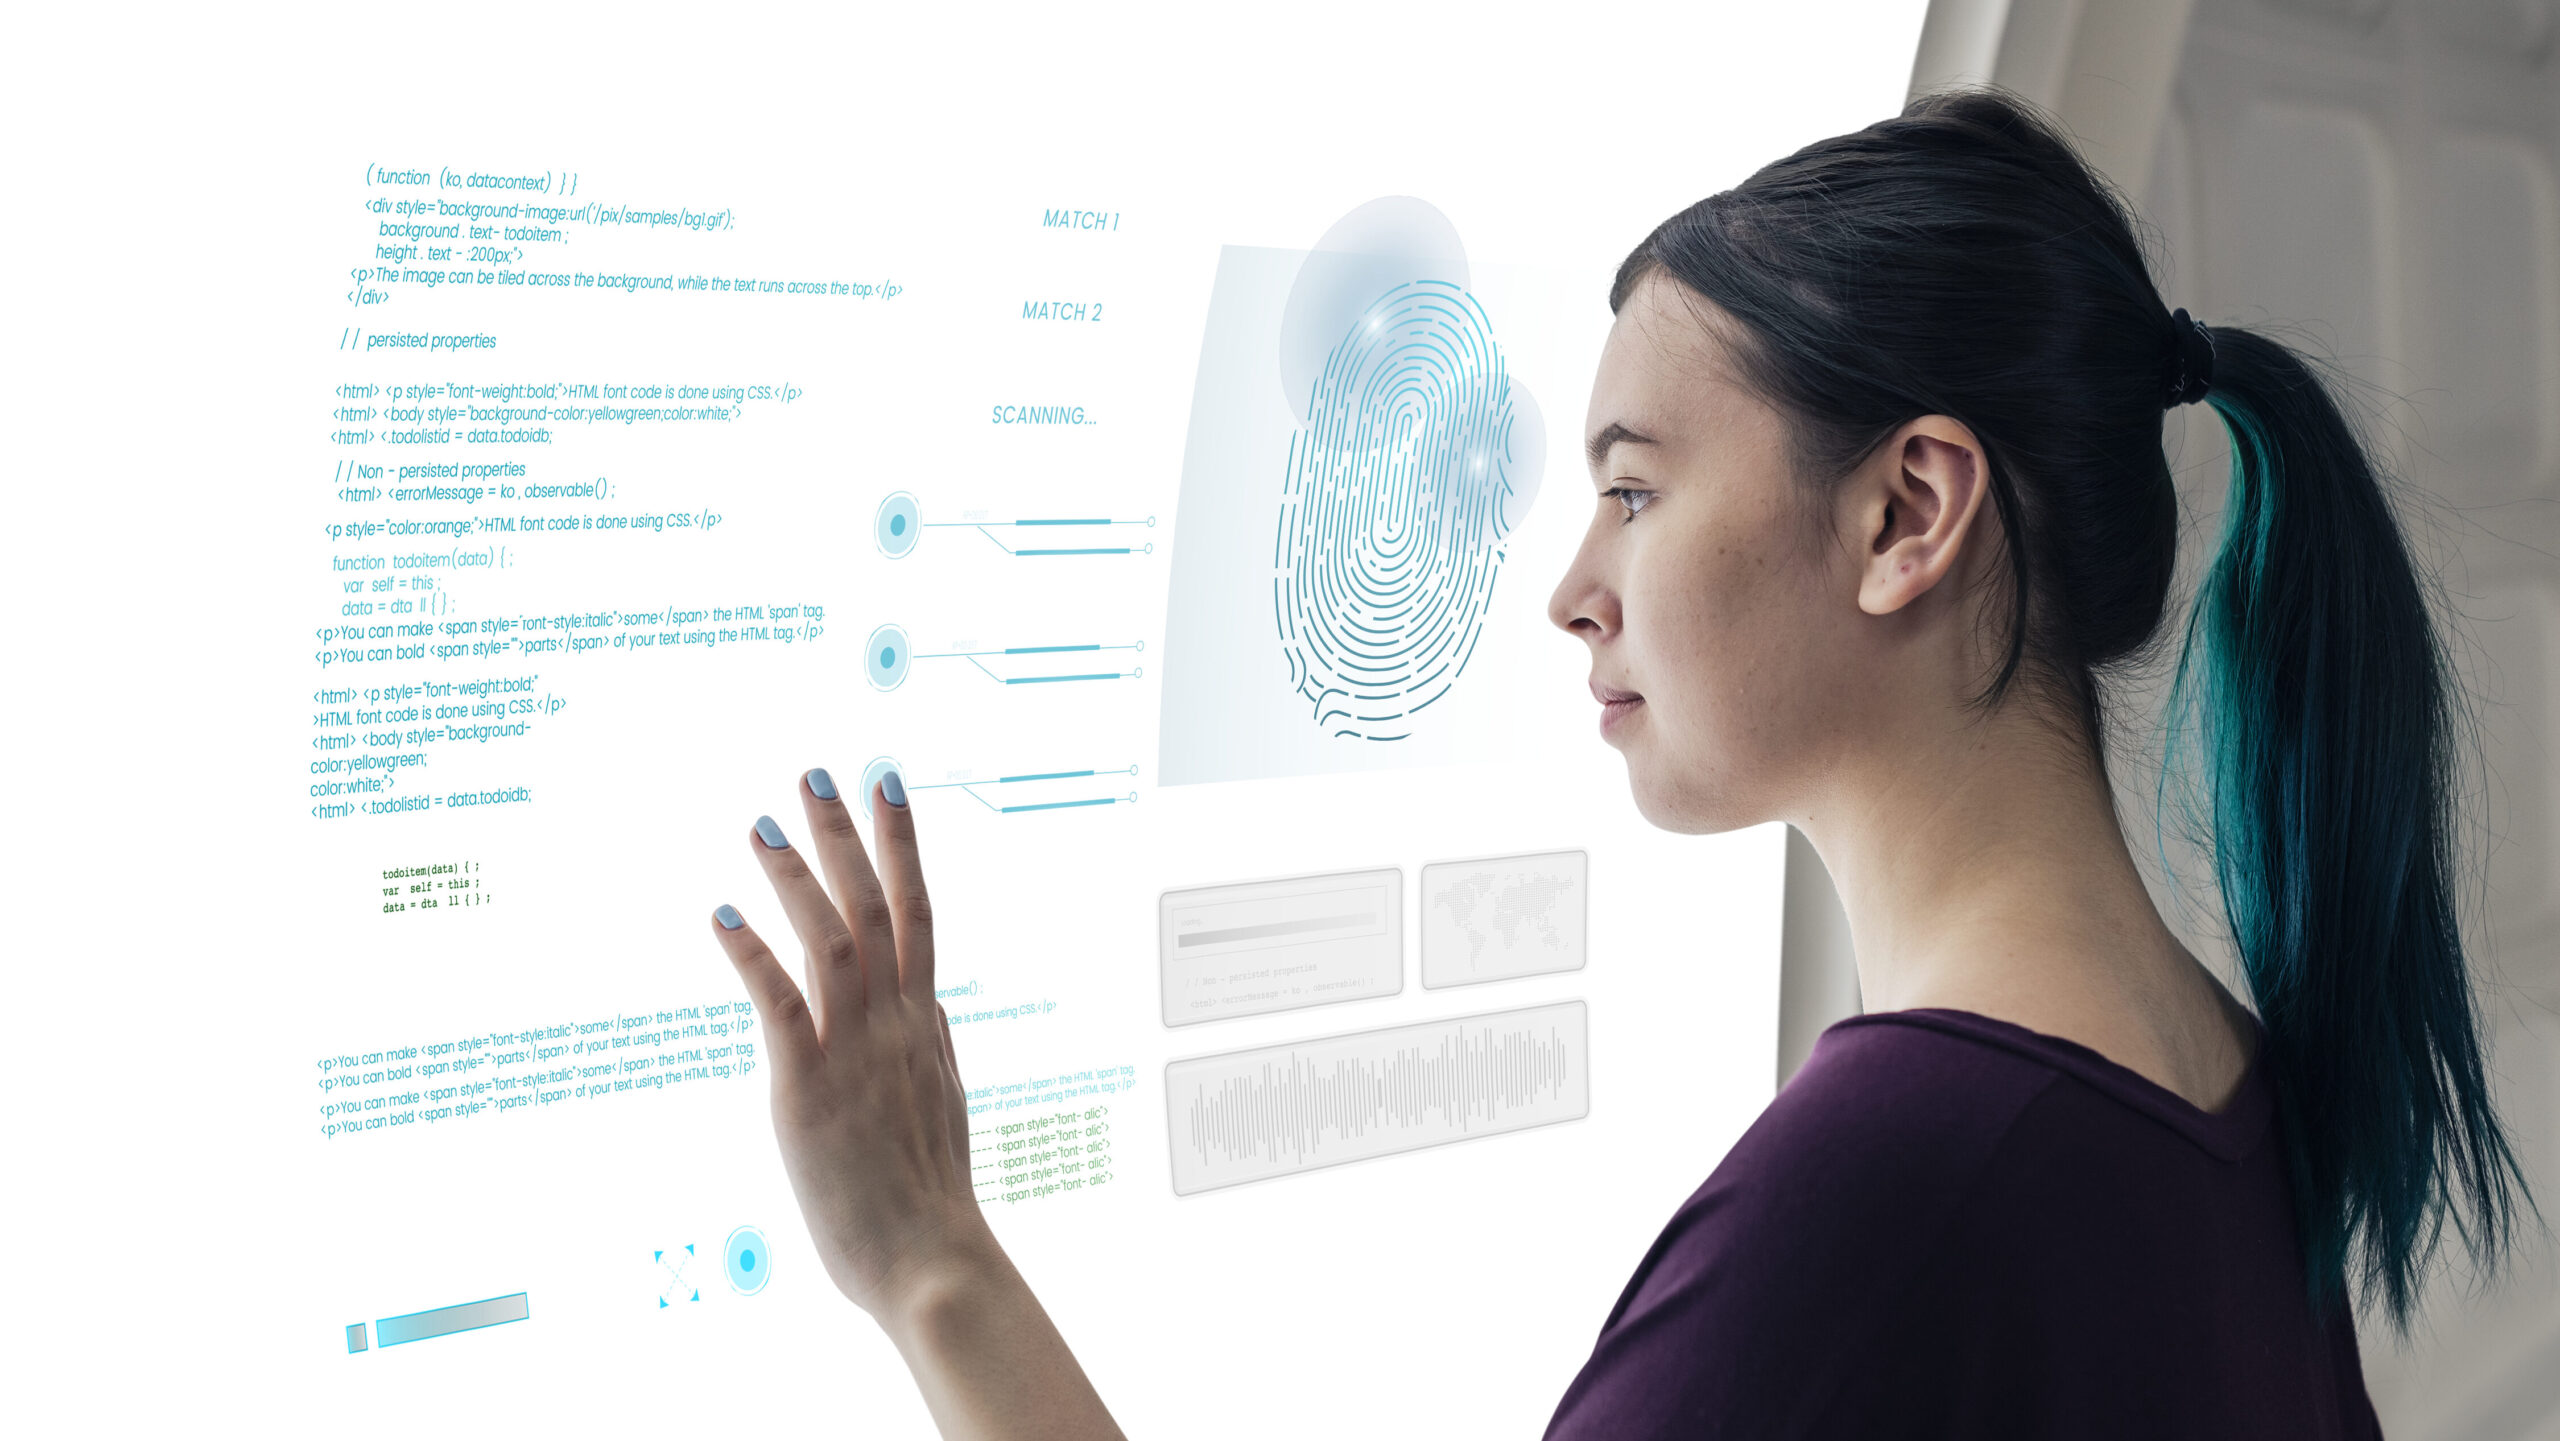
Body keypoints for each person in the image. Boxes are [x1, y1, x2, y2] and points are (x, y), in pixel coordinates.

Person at [701, 89, 2529, 1439]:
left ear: (1909, 511)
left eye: (1636, 489)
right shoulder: (2214, 1080)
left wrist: (931, 1264)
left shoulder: (1886, 1189)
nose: (1575, 591)